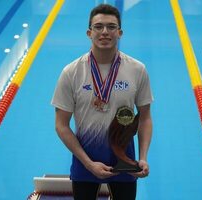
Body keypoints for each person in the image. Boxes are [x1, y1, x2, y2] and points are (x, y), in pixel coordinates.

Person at [51, 4, 153, 200]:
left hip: (126, 161)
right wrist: (88, 164)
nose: (105, 32)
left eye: (111, 27)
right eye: (98, 27)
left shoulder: (137, 69)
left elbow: (145, 118)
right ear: (89, 32)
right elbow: (61, 125)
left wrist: (142, 158)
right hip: (85, 161)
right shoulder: (71, 72)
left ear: (120, 32)